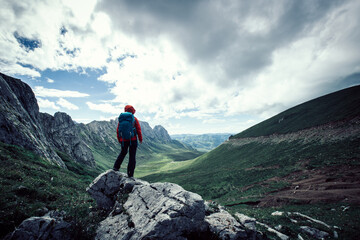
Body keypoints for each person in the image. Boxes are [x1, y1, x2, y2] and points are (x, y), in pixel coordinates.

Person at [113, 105, 143, 178]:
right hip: (133, 140)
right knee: (132, 156)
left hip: (123, 140)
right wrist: (140, 139)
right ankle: (130, 174)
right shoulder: (134, 119)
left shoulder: (121, 119)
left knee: (123, 153)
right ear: (133, 111)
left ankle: (116, 167)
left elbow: (118, 130)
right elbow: (138, 130)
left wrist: (119, 139)